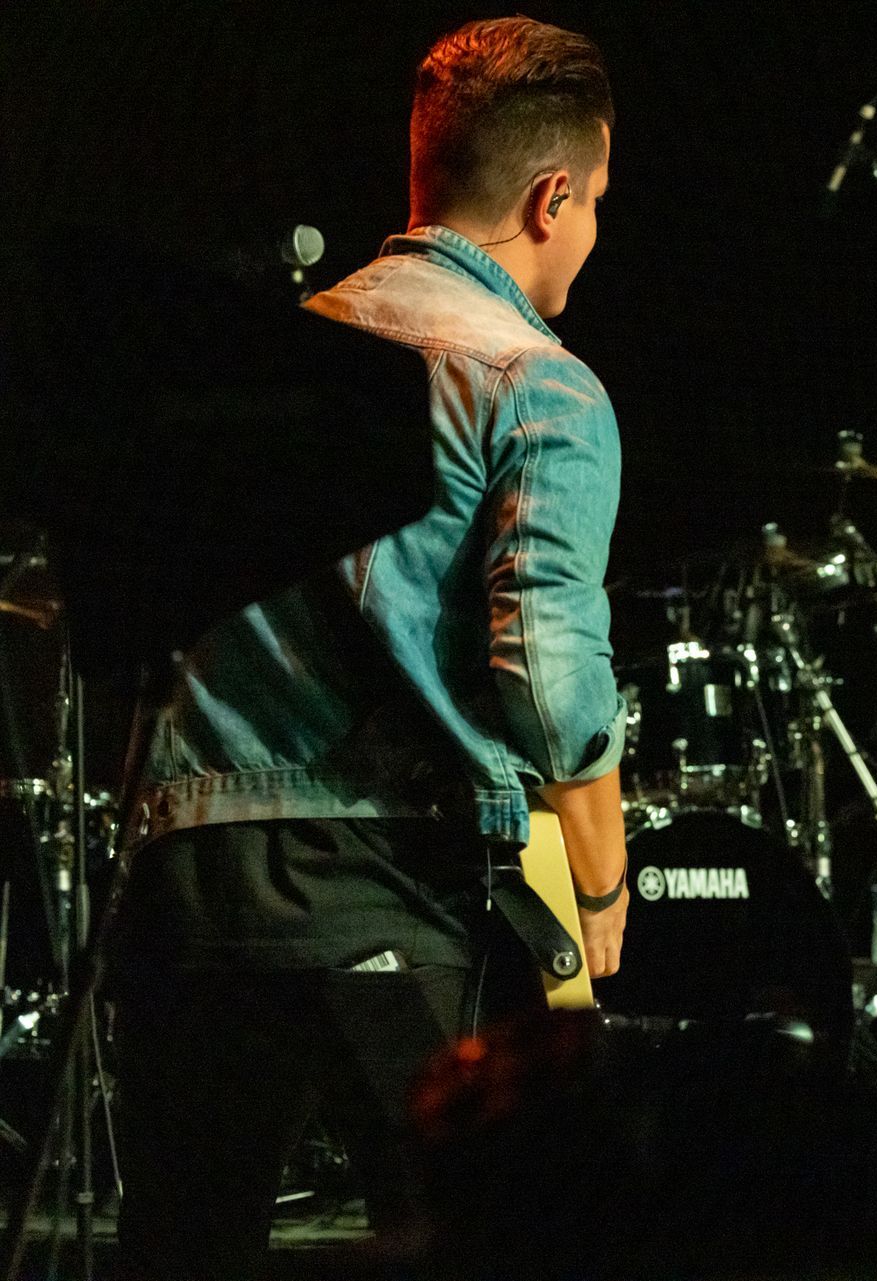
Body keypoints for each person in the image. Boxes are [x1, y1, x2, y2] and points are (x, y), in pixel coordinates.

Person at [111, 17, 627, 1277]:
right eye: (599, 203)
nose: (594, 233)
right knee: (476, 1235)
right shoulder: (534, 380)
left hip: (191, 868)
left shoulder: (268, 356)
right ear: (552, 198)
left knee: (186, 1248)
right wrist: (604, 880)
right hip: (382, 871)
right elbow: (548, 674)